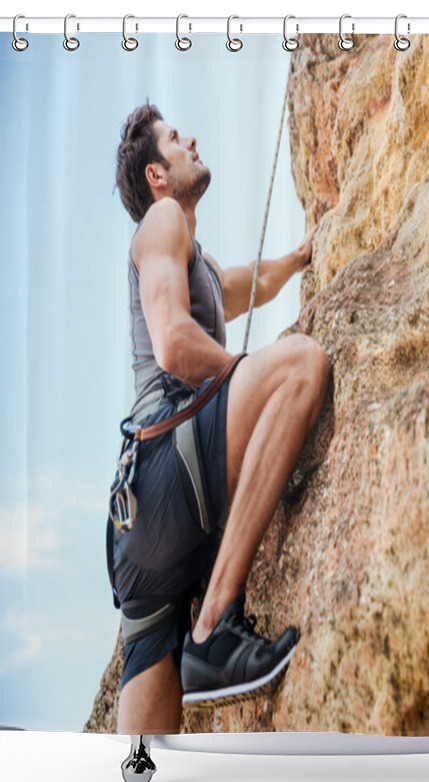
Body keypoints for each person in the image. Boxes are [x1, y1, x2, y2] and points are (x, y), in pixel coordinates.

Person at [109, 102, 330, 734]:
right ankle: (212, 629)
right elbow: (175, 343)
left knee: (144, 753)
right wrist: (246, 373)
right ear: (157, 174)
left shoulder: (191, 257)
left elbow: (247, 283)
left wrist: (300, 257)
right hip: (166, 465)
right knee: (297, 367)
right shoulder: (162, 222)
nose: (192, 139)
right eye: (176, 139)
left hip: (141, 528)